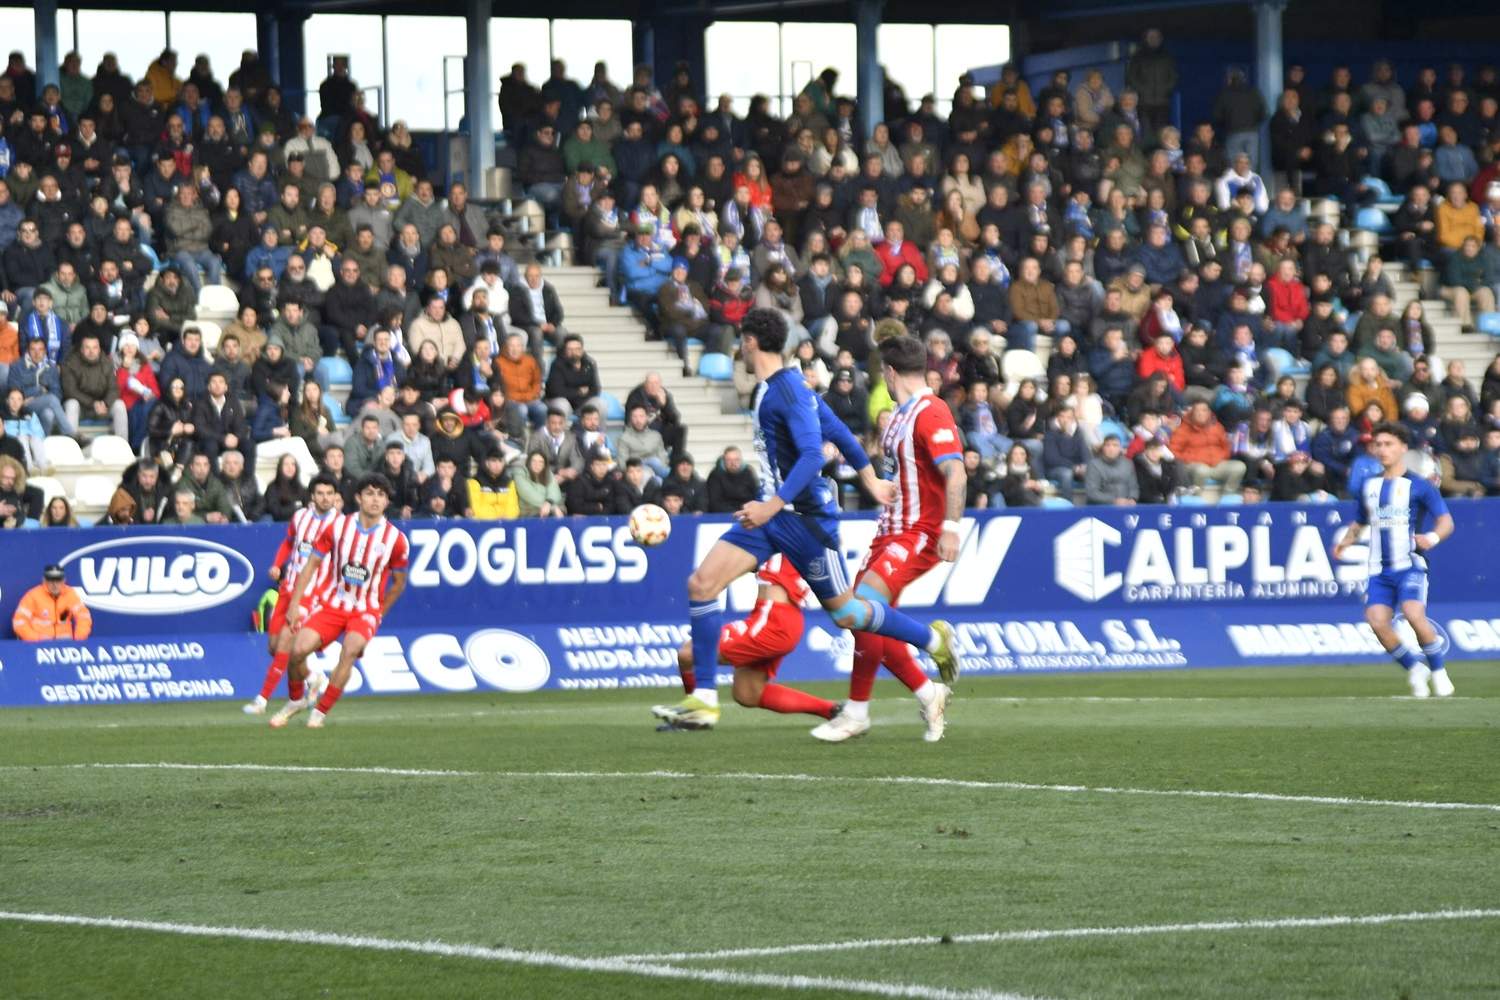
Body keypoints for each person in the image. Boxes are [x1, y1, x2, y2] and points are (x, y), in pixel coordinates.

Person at [652, 310, 958, 731]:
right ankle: (704, 698)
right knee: (701, 584)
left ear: (752, 342)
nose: (740, 349)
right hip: (771, 517)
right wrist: (870, 480)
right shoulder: (777, 388)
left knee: (847, 613)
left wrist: (773, 505)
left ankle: (933, 640)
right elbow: (842, 433)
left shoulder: (790, 390)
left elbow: (815, 454)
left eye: (742, 341)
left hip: (805, 521)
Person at [811, 335, 964, 743]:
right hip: (889, 531)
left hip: (919, 531)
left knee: (862, 606)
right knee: (862, 620)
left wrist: (951, 528)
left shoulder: (931, 412)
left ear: (891, 373)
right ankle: (929, 693)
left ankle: (862, 707)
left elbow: (956, 472)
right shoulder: (899, 415)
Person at [269, 473, 410, 729]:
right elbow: (311, 564)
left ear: (387, 502)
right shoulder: (337, 527)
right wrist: (295, 603)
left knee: (350, 651)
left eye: (381, 495)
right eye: (369, 493)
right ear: (358, 498)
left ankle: (319, 713)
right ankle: (296, 700)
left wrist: (379, 612)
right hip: (332, 604)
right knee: (296, 651)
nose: (375, 499)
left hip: (365, 610)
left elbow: (399, 583)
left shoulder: (396, 539)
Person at [1332, 423, 1456, 698]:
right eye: (1378, 444)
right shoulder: (1369, 485)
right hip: (1378, 569)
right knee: (1377, 622)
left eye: (1388, 444)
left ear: (1403, 448)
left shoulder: (1419, 486)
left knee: (1413, 614)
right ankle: (1415, 667)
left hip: (1409, 564)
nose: (1382, 449)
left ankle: (1439, 671)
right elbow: (1361, 521)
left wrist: (1432, 538)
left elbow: (1446, 521)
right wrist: (1346, 541)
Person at [663, 556, 841, 731]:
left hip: (772, 621)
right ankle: (831, 710)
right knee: (747, 692)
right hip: (782, 619)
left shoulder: (786, 538)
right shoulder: (788, 544)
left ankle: (695, 714)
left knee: (688, 654)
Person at [243, 474, 342, 716]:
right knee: (274, 647)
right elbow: (289, 543)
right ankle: (310, 681)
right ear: (312, 496)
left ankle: (262, 700)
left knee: (286, 641)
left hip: (312, 593)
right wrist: (278, 564)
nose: (325, 498)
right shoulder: (300, 517)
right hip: (288, 587)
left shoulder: (340, 525)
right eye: (321, 493)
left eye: (330, 494)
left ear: (335, 497)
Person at [11, 563, 92, 640]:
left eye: (58, 580)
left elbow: (83, 616)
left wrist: (79, 638)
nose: (55, 584)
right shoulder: (33, 596)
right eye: (51, 580)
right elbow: (19, 621)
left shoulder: (70, 594)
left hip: (65, 644)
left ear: (64, 580)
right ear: (44, 580)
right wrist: (35, 638)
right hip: (38, 644)